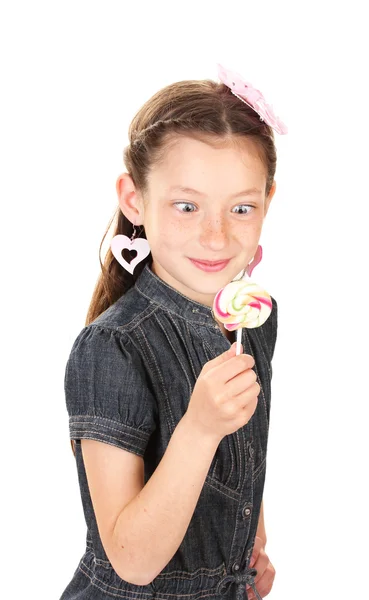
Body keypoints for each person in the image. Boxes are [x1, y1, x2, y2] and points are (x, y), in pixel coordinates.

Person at [59, 63, 287, 600]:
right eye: (186, 206)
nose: (216, 235)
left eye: (241, 207)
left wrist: (247, 543)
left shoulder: (255, 317)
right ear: (135, 199)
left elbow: (245, 445)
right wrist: (199, 427)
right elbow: (131, 560)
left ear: (268, 202)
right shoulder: (112, 347)